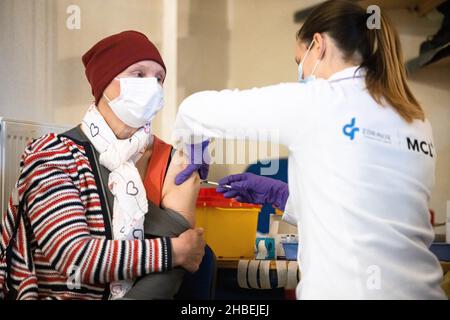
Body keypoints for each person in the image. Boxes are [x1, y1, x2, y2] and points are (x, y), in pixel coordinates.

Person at [173, 0, 446, 299]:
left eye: (298, 60)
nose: (300, 72)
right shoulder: (414, 118)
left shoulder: (319, 101)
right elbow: (359, 212)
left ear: (318, 44)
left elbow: (192, 109)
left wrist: (197, 151)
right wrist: (279, 195)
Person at [0, 31, 206, 300]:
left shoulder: (173, 161)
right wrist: (174, 250)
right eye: (139, 74)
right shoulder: (53, 153)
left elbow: (167, 277)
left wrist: (177, 251)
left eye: (159, 78)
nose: (152, 86)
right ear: (105, 82)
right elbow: (74, 256)